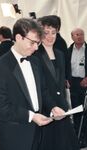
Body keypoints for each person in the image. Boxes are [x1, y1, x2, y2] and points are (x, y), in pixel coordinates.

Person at [0, 18, 53, 150]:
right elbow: (0, 105)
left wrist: (53, 107)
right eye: (33, 42)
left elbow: (43, 90)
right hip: (15, 134)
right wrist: (31, 116)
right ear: (18, 37)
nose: (36, 48)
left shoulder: (35, 62)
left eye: (38, 43)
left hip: (38, 132)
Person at [34, 15, 80, 150]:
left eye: (53, 32)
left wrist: (64, 105)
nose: (50, 36)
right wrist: (53, 106)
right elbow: (40, 86)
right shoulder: (35, 56)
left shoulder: (60, 54)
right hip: (45, 109)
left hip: (62, 108)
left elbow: (61, 83)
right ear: (40, 34)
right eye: (46, 33)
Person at [67, 28, 87, 148]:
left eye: (82, 34)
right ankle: (77, 137)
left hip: (85, 81)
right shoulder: (68, 50)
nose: (80, 36)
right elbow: (65, 66)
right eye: (77, 34)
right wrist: (66, 79)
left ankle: (85, 137)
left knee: (86, 111)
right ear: (72, 37)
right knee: (76, 110)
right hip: (73, 83)